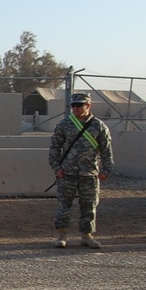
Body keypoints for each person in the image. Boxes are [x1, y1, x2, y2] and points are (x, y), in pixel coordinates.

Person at [48, 93, 114, 249]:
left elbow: (106, 150)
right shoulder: (65, 124)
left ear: (88, 106)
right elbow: (54, 148)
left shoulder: (98, 126)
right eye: (73, 106)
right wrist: (57, 168)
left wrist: (106, 170)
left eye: (79, 105)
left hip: (89, 173)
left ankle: (87, 236)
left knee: (89, 206)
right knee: (64, 205)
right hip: (67, 173)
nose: (76, 108)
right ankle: (62, 235)